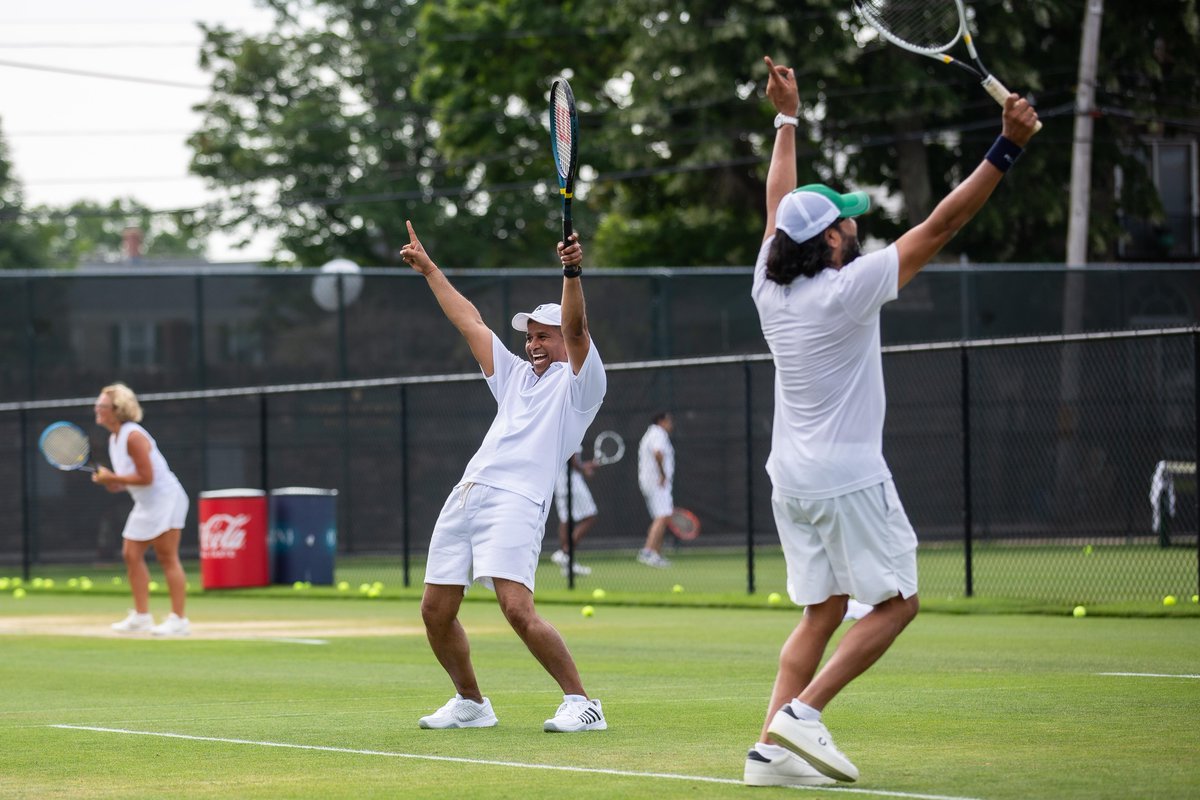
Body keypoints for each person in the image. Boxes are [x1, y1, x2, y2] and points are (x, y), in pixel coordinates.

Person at [743, 56, 1040, 788]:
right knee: (899, 602)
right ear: (831, 242)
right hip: (847, 478)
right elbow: (943, 223)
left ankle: (767, 756)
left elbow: (779, 199)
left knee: (823, 610)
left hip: (792, 481)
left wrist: (786, 118)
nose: (853, 222)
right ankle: (801, 717)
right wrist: (1007, 147)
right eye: (846, 219)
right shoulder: (848, 288)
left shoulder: (767, 284)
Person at [400, 221, 608, 734]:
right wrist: (429, 270)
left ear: (563, 339)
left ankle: (583, 702)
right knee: (434, 611)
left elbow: (579, 331)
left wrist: (572, 271)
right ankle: (471, 702)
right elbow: (468, 321)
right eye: (530, 336)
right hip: (467, 494)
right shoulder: (514, 375)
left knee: (517, 608)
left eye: (544, 336)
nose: (534, 344)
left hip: (517, 500)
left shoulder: (582, 384)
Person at [92, 382, 190, 637]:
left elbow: (147, 477)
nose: (97, 408)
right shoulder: (114, 438)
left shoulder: (133, 436)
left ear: (117, 409)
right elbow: (132, 478)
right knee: (130, 553)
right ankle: (142, 616)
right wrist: (114, 482)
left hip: (166, 499)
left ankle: (179, 620)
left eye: (102, 405)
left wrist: (114, 477)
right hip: (146, 502)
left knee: (167, 556)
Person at [551, 447, 598, 577]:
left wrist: (583, 467)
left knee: (565, 519)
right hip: (572, 484)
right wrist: (585, 467)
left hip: (559, 484)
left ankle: (568, 564)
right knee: (590, 517)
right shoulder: (572, 428)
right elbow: (572, 459)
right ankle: (565, 552)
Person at [636, 411, 674, 568]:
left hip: (651, 481)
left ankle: (655, 554)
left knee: (662, 516)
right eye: (669, 420)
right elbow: (658, 453)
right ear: (661, 421)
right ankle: (648, 552)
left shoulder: (651, 434)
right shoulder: (658, 433)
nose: (671, 424)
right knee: (662, 516)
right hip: (657, 482)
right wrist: (663, 474)